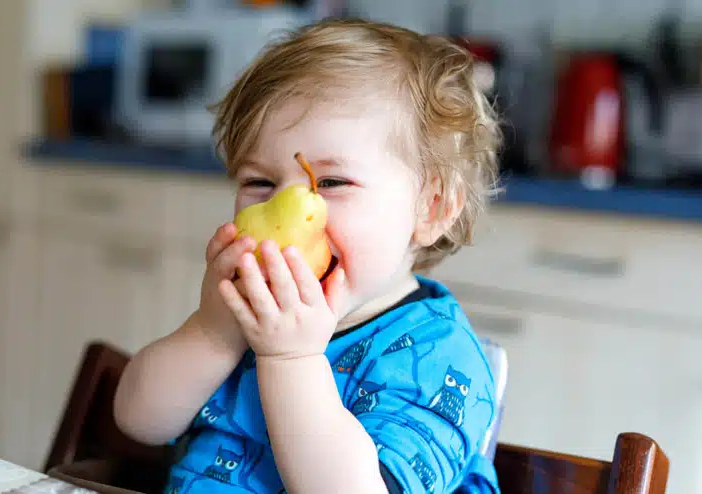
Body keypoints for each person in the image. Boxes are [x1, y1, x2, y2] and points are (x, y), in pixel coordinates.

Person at [113, 17, 503, 494]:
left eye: (331, 183)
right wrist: (211, 331)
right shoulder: (249, 316)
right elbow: (138, 421)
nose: (287, 206)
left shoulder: (437, 356)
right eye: (259, 182)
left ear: (432, 209)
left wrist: (292, 358)